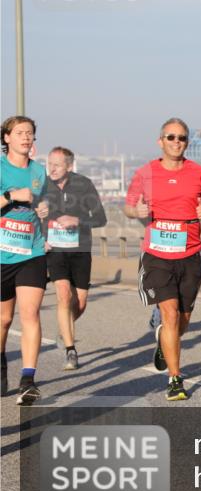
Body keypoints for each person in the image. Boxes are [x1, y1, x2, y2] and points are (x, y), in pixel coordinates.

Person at [124, 118, 201, 401]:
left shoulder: (199, 173)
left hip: (190, 253)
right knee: (170, 314)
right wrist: (137, 211)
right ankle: (175, 380)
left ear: (187, 142)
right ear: (160, 141)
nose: (176, 142)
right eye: (171, 137)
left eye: (182, 138)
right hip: (157, 254)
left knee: (184, 319)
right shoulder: (146, 173)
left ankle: (164, 342)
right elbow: (129, 208)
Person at [43, 146, 108, 370]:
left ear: (69, 167)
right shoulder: (41, 187)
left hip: (80, 250)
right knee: (62, 295)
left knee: (79, 304)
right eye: (49, 163)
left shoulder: (84, 184)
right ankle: (71, 351)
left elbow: (101, 218)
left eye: (57, 165)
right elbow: (32, 216)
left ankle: (65, 329)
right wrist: (41, 237)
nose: (51, 169)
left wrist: (78, 221)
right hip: (55, 251)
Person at [1, 116, 50, 405]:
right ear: (6, 137)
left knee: (30, 313)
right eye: (19, 132)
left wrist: (44, 209)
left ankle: (28, 381)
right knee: (4, 319)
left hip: (31, 251)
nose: (26, 137)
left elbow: (43, 204)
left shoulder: (39, 171)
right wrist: (9, 196)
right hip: (1, 253)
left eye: (30, 133)